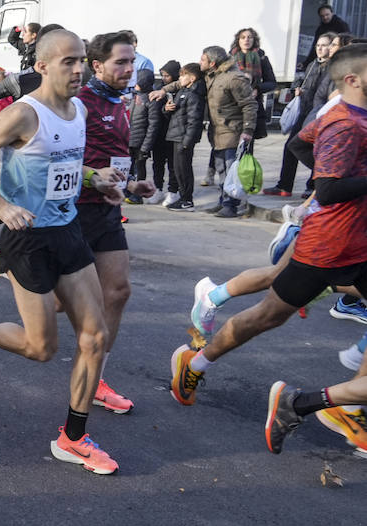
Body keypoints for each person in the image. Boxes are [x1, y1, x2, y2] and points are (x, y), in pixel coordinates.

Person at [0, 28, 126, 474]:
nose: (79, 69)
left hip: (68, 232)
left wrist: (97, 178)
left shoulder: (78, 109)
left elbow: (63, 164)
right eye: (68, 61)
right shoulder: (24, 114)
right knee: (41, 349)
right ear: (41, 66)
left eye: (82, 60)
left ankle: (72, 438)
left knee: (94, 337)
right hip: (28, 241)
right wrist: (0, 206)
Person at [172, 44, 367, 414]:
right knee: (268, 315)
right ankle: (194, 363)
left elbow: (298, 143)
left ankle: (351, 405)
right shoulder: (345, 123)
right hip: (329, 244)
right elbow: (327, 188)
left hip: (356, 240)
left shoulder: (354, 116)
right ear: (353, 79)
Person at [68, 31, 155, 414]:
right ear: (97, 64)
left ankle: (97, 376)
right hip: (72, 210)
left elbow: (115, 157)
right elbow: (60, 157)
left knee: (117, 292)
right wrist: (94, 177)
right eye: (121, 62)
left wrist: (132, 183)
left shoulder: (122, 101)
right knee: (58, 303)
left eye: (132, 61)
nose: (128, 68)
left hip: (106, 209)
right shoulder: (79, 103)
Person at [152, 45, 258, 218]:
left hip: (232, 131)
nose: (199, 62)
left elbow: (249, 105)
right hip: (217, 132)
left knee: (231, 170)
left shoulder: (234, 78)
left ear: (213, 62)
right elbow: (181, 82)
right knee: (221, 169)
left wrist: (247, 130)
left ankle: (232, 205)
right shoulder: (210, 77)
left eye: (203, 59)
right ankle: (223, 202)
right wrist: (163, 90)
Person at [267, 33, 334, 196]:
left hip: (320, 114)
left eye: (324, 45)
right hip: (304, 112)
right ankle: (284, 185)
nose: (320, 48)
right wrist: (299, 90)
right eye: (318, 45)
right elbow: (305, 83)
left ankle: (312, 185)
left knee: (317, 150)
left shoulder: (333, 68)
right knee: (291, 146)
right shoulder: (313, 64)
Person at [164, 63, 207, 211]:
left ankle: (187, 200)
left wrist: (187, 142)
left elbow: (194, 121)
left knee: (184, 169)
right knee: (178, 169)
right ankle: (183, 197)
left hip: (183, 138)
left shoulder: (194, 95)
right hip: (176, 136)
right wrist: (167, 108)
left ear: (192, 78)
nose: (180, 78)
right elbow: (173, 113)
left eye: (183, 75)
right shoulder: (184, 92)